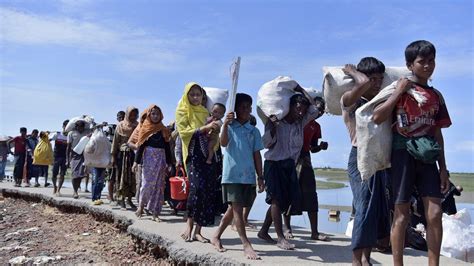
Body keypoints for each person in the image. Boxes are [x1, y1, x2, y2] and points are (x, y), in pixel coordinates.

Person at [372, 40, 451, 266]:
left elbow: (437, 133)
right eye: (421, 61)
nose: (427, 66)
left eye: (431, 61)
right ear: (410, 64)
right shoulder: (401, 90)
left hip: (428, 157)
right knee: (402, 214)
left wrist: (443, 168)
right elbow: (377, 117)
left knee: (434, 214)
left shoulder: (437, 96)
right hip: (402, 154)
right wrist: (398, 91)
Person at [340, 58, 391, 265]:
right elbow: (361, 85)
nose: (377, 83)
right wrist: (353, 72)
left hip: (378, 159)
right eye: (373, 79)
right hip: (359, 158)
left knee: (374, 209)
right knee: (363, 207)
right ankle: (356, 260)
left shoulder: (381, 100)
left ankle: (366, 258)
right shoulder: (350, 99)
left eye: (380, 79)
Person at [258, 86, 321, 250]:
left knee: (282, 201)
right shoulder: (276, 123)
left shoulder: (300, 124)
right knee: (276, 200)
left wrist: (300, 89)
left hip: (289, 165)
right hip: (274, 164)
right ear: (290, 107)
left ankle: (264, 231)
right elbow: (266, 144)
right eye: (297, 108)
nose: (300, 113)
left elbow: (315, 109)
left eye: (303, 110)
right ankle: (280, 238)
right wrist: (271, 128)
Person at [211, 93, 264, 260]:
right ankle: (246, 244)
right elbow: (224, 143)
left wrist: (260, 176)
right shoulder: (229, 127)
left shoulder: (253, 131)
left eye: (249, 107)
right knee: (238, 210)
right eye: (243, 107)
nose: (247, 110)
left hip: (247, 176)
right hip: (232, 175)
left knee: (232, 209)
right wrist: (226, 124)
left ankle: (216, 235)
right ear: (235, 109)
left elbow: (257, 155)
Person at [176, 82, 220, 242]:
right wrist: (202, 129)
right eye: (192, 94)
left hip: (208, 155)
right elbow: (184, 132)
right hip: (193, 154)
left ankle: (198, 230)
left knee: (207, 191)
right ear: (187, 95)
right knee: (196, 189)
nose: (195, 97)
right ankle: (189, 224)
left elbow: (214, 134)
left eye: (198, 94)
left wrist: (213, 128)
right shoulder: (182, 111)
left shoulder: (205, 112)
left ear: (203, 97)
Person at [283, 96, 329, 241]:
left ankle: (314, 232)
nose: (319, 112)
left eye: (322, 110)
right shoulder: (298, 121)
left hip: (306, 160)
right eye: (317, 109)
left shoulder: (316, 126)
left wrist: (320, 147)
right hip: (291, 159)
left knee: (311, 195)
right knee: (289, 193)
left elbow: (312, 147)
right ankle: (287, 228)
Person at [133, 105, 171, 221]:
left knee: (159, 186)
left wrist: (169, 163)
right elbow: (140, 146)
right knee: (146, 184)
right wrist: (136, 162)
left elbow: (167, 147)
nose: (155, 116)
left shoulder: (163, 129)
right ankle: (141, 206)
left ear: (161, 116)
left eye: (157, 114)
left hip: (161, 159)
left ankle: (155, 213)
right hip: (148, 158)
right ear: (149, 115)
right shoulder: (145, 129)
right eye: (153, 114)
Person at [112, 106, 139, 209]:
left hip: (133, 154)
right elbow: (115, 142)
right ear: (127, 114)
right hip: (122, 155)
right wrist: (113, 156)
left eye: (135, 115)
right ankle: (121, 199)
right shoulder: (120, 126)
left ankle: (129, 200)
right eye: (131, 114)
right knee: (121, 177)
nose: (133, 116)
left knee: (132, 178)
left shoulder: (137, 126)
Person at [67, 120, 91, 199]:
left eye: (82, 127)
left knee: (80, 174)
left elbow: (94, 129)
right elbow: (68, 147)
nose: (81, 129)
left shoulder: (87, 132)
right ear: (76, 127)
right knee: (74, 174)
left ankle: (76, 189)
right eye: (80, 127)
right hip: (74, 155)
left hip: (84, 155)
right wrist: (67, 160)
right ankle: (75, 191)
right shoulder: (71, 133)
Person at [108, 110, 126, 201]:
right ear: (117, 118)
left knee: (121, 176)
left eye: (123, 117)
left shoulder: (126, 128)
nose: (122, 119)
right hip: (115, 154)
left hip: (124, 155)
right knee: (112, 176)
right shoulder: (113, 128)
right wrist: (112, 156)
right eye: (120, 117)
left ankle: (117, 195)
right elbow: (113, 144)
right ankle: (110, 196)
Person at [50, 120, 70, 196]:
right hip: (56, 157)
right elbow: (47, 140)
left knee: (62, 174)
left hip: (65, 157)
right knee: (54, 174)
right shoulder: (57, 134)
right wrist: (46, 134)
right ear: (63, 126)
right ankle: (55, 186)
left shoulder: (70, 136)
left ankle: (58, 190)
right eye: (65, 126)